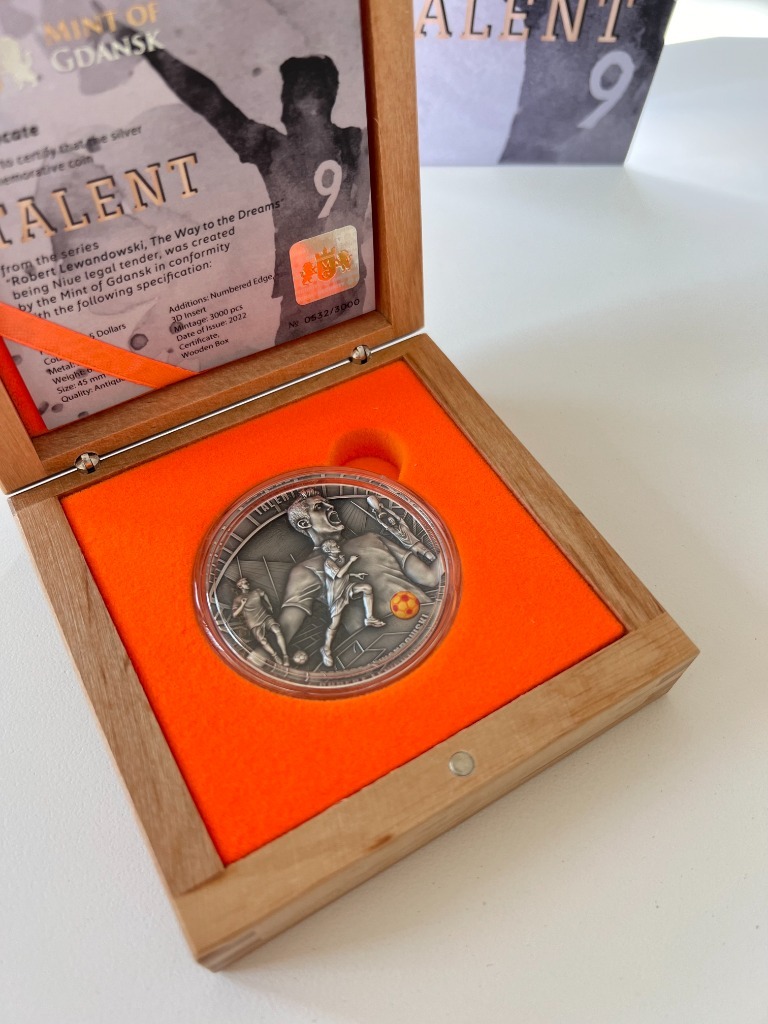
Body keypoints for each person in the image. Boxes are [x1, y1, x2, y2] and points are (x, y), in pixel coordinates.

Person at [137, 38, 371, 341]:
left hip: (306, 291)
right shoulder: (357, 141)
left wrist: (149, 49)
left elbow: (210, 101)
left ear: (295, 104)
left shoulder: (273, 148)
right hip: (348, 284)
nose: (284, 110)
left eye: (287, 97)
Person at [278, 490, 442, 645]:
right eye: (319, 507)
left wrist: (453, 540)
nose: (330, 506)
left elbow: (430, 578)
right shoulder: (306, 570)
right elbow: (285, 630)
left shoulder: (373, 538)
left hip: (430, 621)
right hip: (382, 646)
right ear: (304, 523)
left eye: (328, 503)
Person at [318, 540, 384, 667]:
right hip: (336, 595)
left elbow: (343, 574)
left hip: (346, 588)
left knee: (367, 588)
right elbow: (339, 575)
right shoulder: (328, 563)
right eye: (335, 546)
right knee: (335, 624)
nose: (338, 546)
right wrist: (350, 561)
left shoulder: (338, 559)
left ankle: (369, 618)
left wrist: (355, 575)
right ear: (328, 550)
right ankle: (326, 648)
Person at [230, 577, 289, 666]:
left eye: (248, 582)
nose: (248, 584)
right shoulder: (238, 599)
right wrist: (242, 604)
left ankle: (285, 655)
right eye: (245, 583)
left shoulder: (256, 591)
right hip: (254, 623)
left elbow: (263, 594)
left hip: (264, 616)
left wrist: (269, 605)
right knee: (263, 641)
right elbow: (235, 614)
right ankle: (275, 655)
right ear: (240, 586)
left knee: (277, 630)